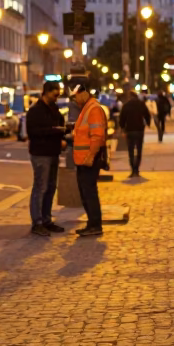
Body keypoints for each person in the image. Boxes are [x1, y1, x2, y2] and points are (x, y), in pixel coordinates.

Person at [25, 80, 67, 238]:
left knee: (50, 187)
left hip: (53, 152)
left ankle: (46, 219)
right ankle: (37, 222)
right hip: (40, 153)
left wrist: (63, 133)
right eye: (55, 94)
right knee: (40, 187)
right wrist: (55, 131)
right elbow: (34, 132)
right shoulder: (36, 110)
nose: (57, 97)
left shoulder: (54, 108)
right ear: (47, 92)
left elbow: (59, 124)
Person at [70, 81, 107, 236]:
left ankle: (95, 225)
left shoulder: (93, 109)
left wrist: (91, 156)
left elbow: (97, 136)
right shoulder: (87, 108)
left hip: (89, 159)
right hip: (83, 159)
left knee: (89, 192)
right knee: (86, 192)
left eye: (76, 97)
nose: (75, 101)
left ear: (83, 93)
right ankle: (92, 224)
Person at [118, 89, 152, 177]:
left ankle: (133, 169)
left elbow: (122, 118)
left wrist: (122, 127)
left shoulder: (126, 105)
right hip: (139, 129)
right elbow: (147, 114)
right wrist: (148, 123)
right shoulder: (141, 104)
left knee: (131, 150)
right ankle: (137, 169)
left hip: (129, 130)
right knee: (139, 150)